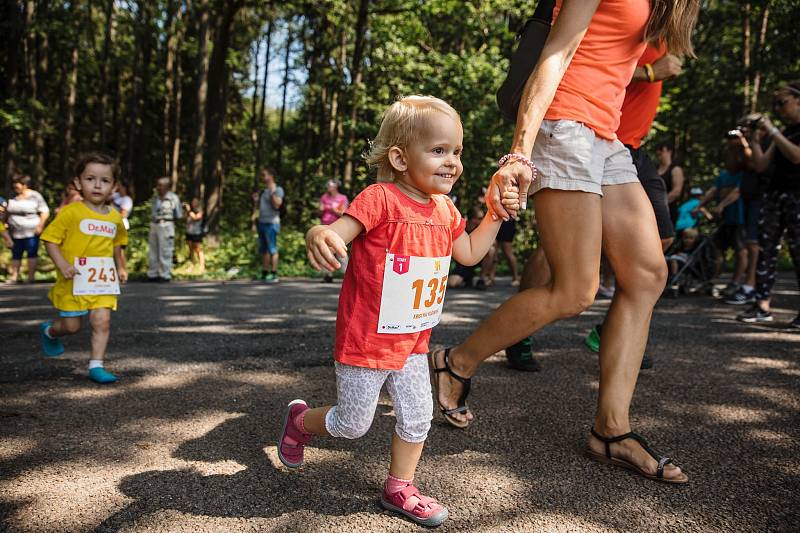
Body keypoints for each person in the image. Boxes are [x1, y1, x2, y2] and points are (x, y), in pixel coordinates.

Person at [430, 0, 698, 485]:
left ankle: (611, 431)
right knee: (575, 290)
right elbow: (555, 52)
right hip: (564, 125)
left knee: (647, 274)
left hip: (606, 135)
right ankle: (455, 362)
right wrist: (520, 151)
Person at [278, 96, 519, 527]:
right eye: (439, 150)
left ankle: (399, 486)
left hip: (412, 341)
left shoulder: (445, 209)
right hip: (365, 341)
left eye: (457, 152)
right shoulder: (380, 199)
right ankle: (299, 421)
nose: (452, 162)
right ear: (400, 157)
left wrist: (495, 214)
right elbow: (337, 229)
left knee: (418, 416)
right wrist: (320, 232)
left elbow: (469, 253)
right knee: (353, 425)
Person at [507, 43, 683, 372]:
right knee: (559, 257)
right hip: (588, 135)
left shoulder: (661, 28)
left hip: (629, 148)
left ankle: (611, 330)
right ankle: (518, 333)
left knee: (659, 243)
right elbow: (584, 66)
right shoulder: (626, 15)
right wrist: (649, 73)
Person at [38, 152, 128, 384]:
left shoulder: (116, 218)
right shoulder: (71, 212)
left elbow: (118, 244)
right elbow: (50, 240)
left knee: (102, 322)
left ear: (114, 187)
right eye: (90, 179)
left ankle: (96, 365)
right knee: (71, 326)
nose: (97, 185)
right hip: (74, 279)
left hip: (102, 281)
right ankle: (50, 331)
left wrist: (121, 267)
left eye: (105, 180)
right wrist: (63, 265)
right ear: (78, 182)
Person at [737, 81, 800, 327]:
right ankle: (762, 305)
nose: (778, 109)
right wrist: (753, 138)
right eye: (775, 104)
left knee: (798, 253)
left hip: (797, 197)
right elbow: (761, 164)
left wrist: (771, 130)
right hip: (775, 195)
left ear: (798, 100)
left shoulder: (780, 132)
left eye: (782, 102)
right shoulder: (783, 132)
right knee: (766, 250)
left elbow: (796, 156)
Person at [693, 140, 747, 294]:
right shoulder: (723, 175)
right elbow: (713, 191)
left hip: (740, 218)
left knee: (741, 250)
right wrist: (699, 205)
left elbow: (737, 192)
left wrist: (722, 205)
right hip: (725, 220)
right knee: (715, 247)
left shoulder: (743, 175)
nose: (729, 159)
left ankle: (736, 282)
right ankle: (711, 280)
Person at [5, 174, 50, 283]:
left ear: (25, 185)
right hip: (15, 232)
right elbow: (6, 211)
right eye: (14, 184)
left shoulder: (35, 196)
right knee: (16, 254)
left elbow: (45, 211)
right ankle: (14, 277)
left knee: (31, 253)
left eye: (18, 184)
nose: (15, 186)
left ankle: (31, 277)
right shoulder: (12, 196)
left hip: (31, 231)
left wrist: (40, 226)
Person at [147, 177, 182, 282]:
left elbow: (179, 215)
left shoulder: (173, 198)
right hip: (154, 224)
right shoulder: (156, 198)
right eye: (158, 185)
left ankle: (164, 275)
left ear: (167, 187)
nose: (158, 187)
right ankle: (153, 274)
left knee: (165, 250)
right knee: (153, 250)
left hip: (166, 224)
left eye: (160, 185)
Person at [253, 168, 284, 283]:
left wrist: (272, 193)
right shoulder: (264, 190)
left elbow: (277, 205)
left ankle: (274, 273)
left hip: (272, 223)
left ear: (271, 176)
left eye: (264, 175)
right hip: (262, 222)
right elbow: (258, 207)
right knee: (264, 249)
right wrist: (256, 200)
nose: (262, 177)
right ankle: (265, 272)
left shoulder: (278, 189)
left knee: (272, 248)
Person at [448, 207, 489, 289]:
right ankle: (466, 278)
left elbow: (492, 244)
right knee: (452, 283)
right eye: (480, 218)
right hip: (462, 263)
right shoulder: (462, 227)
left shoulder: (481, 228)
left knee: (491, 250)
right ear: (473, 219)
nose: (482, 220)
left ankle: (482, 278)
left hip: (477, 259)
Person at [319, 179, 349, 282]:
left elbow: (344, 214)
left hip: (338, 227)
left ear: (336, 186)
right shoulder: (324, 197)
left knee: (339, 249)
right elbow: (320, 211)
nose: (328, 186)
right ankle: (327, 274)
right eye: (327, 184)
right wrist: (321, 210)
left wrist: (334, 210)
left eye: (330, 185)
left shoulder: (342, 198)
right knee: (325, 250)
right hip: (325, 225)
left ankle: (347, 273)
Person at [655, 142, 686, 224]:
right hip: (653, 210)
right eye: (658, 150)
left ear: (669, 151)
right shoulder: (654, 169)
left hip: (668, 210)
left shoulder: (676, 169)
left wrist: (660, 203)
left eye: (662, 149)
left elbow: (677, 192)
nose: (659, 152)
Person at [183, 198, 205, 274]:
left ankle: (202, 266)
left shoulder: (200, 212)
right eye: (193, 202)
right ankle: (192, 265)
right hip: (189, 233)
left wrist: (189, 211)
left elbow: (195, 218)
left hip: (197, 234)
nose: (194, 204)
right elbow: (184, 219)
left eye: (195, 202)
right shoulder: (189, 212)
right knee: (191, 250)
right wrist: (186, 211)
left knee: (198, 250)